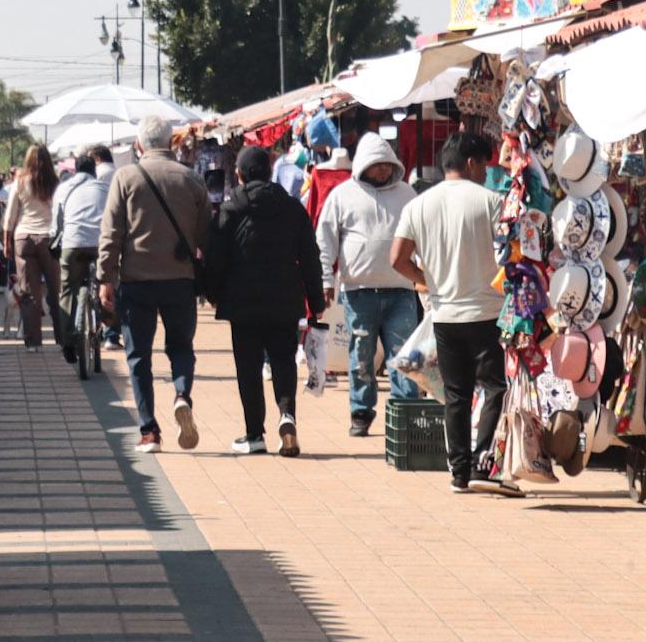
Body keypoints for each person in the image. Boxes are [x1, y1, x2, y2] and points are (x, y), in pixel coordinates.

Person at [392, 130, 515, 495]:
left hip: (445, 316)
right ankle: (482, 462)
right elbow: (511, 255)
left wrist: (425, 281)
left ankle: (459, 473)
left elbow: (397, 259)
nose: (486, 173)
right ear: (473, 163)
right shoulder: (492, 201)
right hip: (487, 312)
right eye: (484, 166)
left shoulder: (417, 205)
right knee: (495, 387)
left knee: (456, 394)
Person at [99, 115, 210, 452]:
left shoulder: (126, 177)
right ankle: (181, 394)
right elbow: (206, 235)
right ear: (171, 143)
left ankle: (150, 432)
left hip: (137, 282)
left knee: (138, 357)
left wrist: (106, 277)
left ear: (139, 145)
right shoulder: (191, 179)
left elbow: (111, 233)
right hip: (180, 281)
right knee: (181, 347)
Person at [204, 144, 324, 455]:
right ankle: (287, 415)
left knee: (249, 367)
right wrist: (316, 301)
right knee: (283, 361)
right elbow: (310, 258)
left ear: (239, 174)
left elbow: (216, 258)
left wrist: (213, 294)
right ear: (270, 173)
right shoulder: (293, 209)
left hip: (242, 303)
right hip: (285, 301)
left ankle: (254, 434)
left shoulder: (230, 210)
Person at [316, 129, 421, 436]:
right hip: (357, 292)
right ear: (363, 165)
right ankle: (361, 412)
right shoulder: (341, 195)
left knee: (403, 354)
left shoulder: (407, 194)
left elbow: (422, 236)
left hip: (402, 290)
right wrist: (325, 279)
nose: (383, 169)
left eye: (387, 163)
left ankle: (406, 414)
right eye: (377, 164)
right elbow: (325, 241)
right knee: (361, 353)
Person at [51, 144, 113, 365]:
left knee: (67, 289)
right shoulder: (104, 188)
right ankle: (109, 322)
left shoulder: (63, 188)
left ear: (75, 170)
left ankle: (68, 342)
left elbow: (56, 223)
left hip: (72, 243)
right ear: (94, 170)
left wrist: (56, 243)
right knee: (109, 279)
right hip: (100, 244)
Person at [4, 144, 62, 349]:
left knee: (29, 292)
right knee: (56, 291)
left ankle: (33, 342)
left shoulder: (19, 182)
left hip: (24, 238)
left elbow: (10, 213)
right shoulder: (56, 183)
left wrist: (6, 241)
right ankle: (62, 338)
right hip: (49, 238)